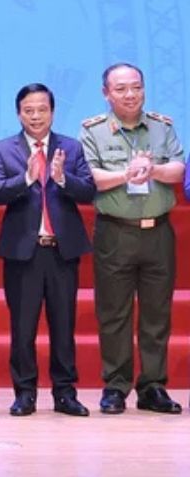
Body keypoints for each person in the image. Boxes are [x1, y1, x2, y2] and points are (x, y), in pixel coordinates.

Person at [82, 62, 184, 415]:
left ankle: (153, 386)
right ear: (106, 93)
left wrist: (153, 169)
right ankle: (115, 385)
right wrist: (127, 174)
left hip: (158, 231)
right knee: (113, 312)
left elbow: (178, 170)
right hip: (115, 231)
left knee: (157, 312)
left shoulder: (161, 127)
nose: (130, 94)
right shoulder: (94, 131)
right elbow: (92, 176)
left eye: (136, 87)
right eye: (121, 88)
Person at [0, 82, 94, 417]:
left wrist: (62, 178)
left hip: (62, 251)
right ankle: (25, 393)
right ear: (18, 113)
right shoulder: (3, 149)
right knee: (23, 328)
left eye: (42, 110)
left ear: (53, 112)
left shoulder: (71, 147)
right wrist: (25, 178)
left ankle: (65, 393)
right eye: (28, 110)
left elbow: (88, 191)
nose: (36, 116)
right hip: (24, 252)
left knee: (63, 326)